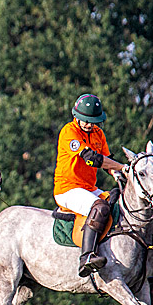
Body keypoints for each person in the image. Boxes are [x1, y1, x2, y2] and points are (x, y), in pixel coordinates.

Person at [52, 94, 126, 277]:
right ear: (76, 116)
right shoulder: (69, 132)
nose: (89, 124)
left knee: (117, 200)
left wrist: (119, 174)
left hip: (88, 187)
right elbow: (92, 159)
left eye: (92, 121)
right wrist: (123, 167)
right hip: (67, 188)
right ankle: (86, 257)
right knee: (100, 207)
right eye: (85, 120)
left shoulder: (98, 134)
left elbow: (107, 160)